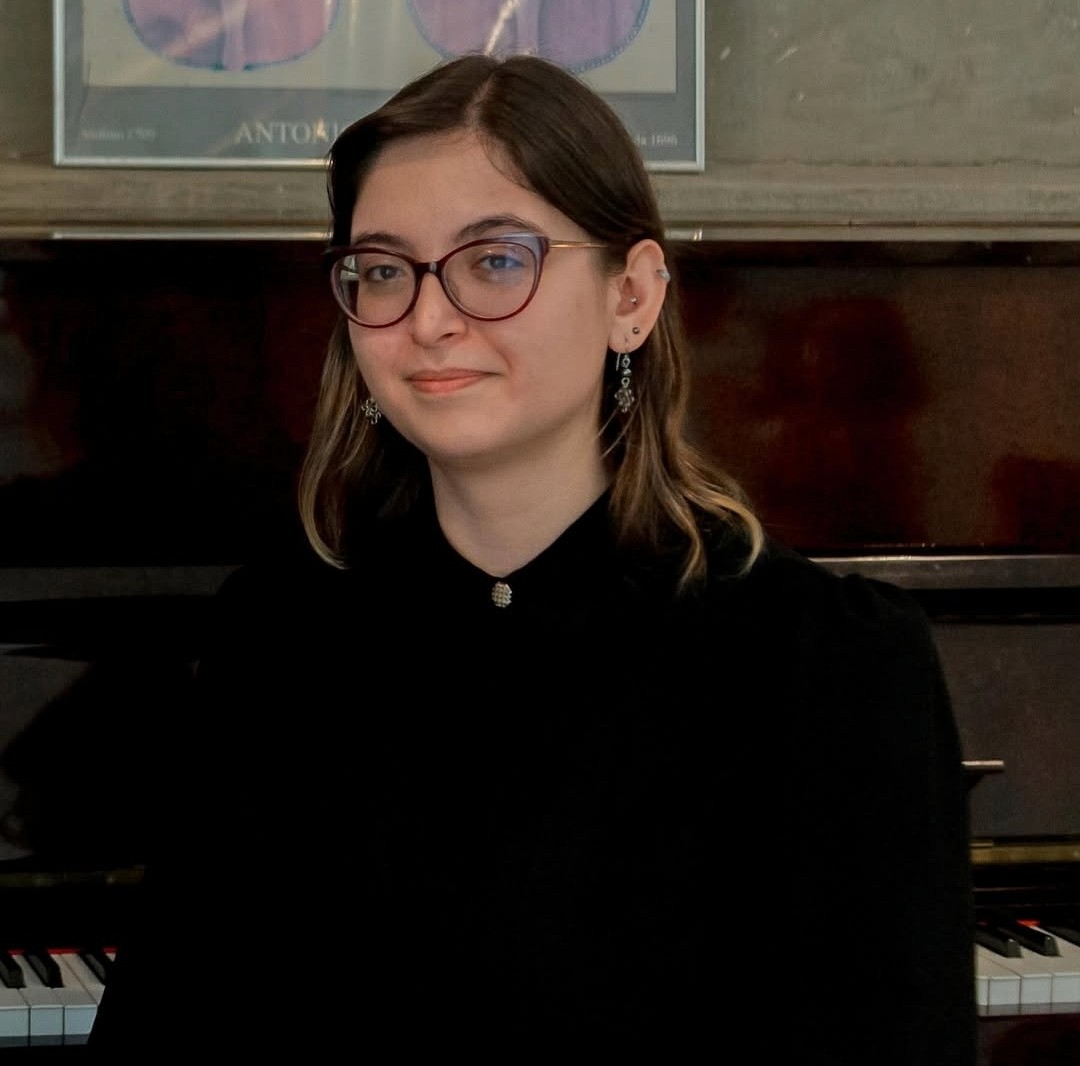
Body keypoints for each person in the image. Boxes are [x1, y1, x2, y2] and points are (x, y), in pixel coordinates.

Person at [88, 53, 977, 1062]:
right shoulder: (277, 638)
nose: (427, 318)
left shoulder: (828, 665)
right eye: (383, 269)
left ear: (631, 297)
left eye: (496, 259)